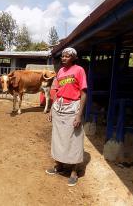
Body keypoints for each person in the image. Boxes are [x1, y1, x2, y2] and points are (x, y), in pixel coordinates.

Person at [46, 47, 87, 187]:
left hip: (72, 108)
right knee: (58, 138)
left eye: (67, 56)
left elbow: (83, 94)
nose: (63, 58)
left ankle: (74, 171)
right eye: (62, 56)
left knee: (74, 139)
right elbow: (56, 92)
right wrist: (51, 109)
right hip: (59, 107)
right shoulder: (60, 72)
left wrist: (79, 114)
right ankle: (59, 165)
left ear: (74, 58)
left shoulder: (79, 70)